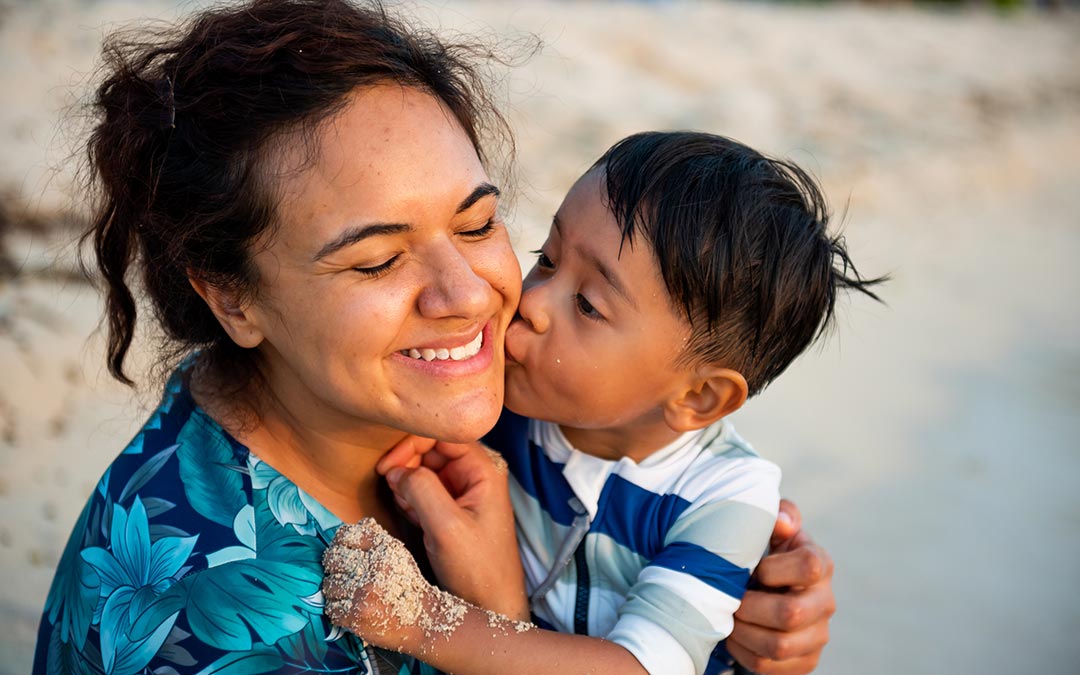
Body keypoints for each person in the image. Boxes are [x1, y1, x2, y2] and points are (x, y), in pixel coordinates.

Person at [31, 1, 834, 673]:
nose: (472, 297)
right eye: (379, 260)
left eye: (478, 222)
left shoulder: (397, 405)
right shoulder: (222, 624)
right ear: (232, 297)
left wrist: (743, 617)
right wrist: (496, 608)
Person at [324, 131, 880, 675]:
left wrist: (424, 621)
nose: (534, 301)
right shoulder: (507, 397)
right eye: (547, 256)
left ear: (698, 396)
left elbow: (637, 666)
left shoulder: (722, 499)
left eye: (587, 305)